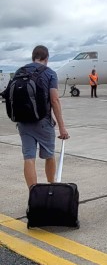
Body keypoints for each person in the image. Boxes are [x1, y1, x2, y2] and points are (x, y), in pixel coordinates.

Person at [15, 45, 70, 189]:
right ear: (46, 58)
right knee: (49, 156)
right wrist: (62, 127)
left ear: (33, 57)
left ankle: (34, 196)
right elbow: (54, 100)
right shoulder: (50, 73)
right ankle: (51, 190)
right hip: (43, 122)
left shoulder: (19, 71)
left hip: (23, 122)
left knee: (29, 158)